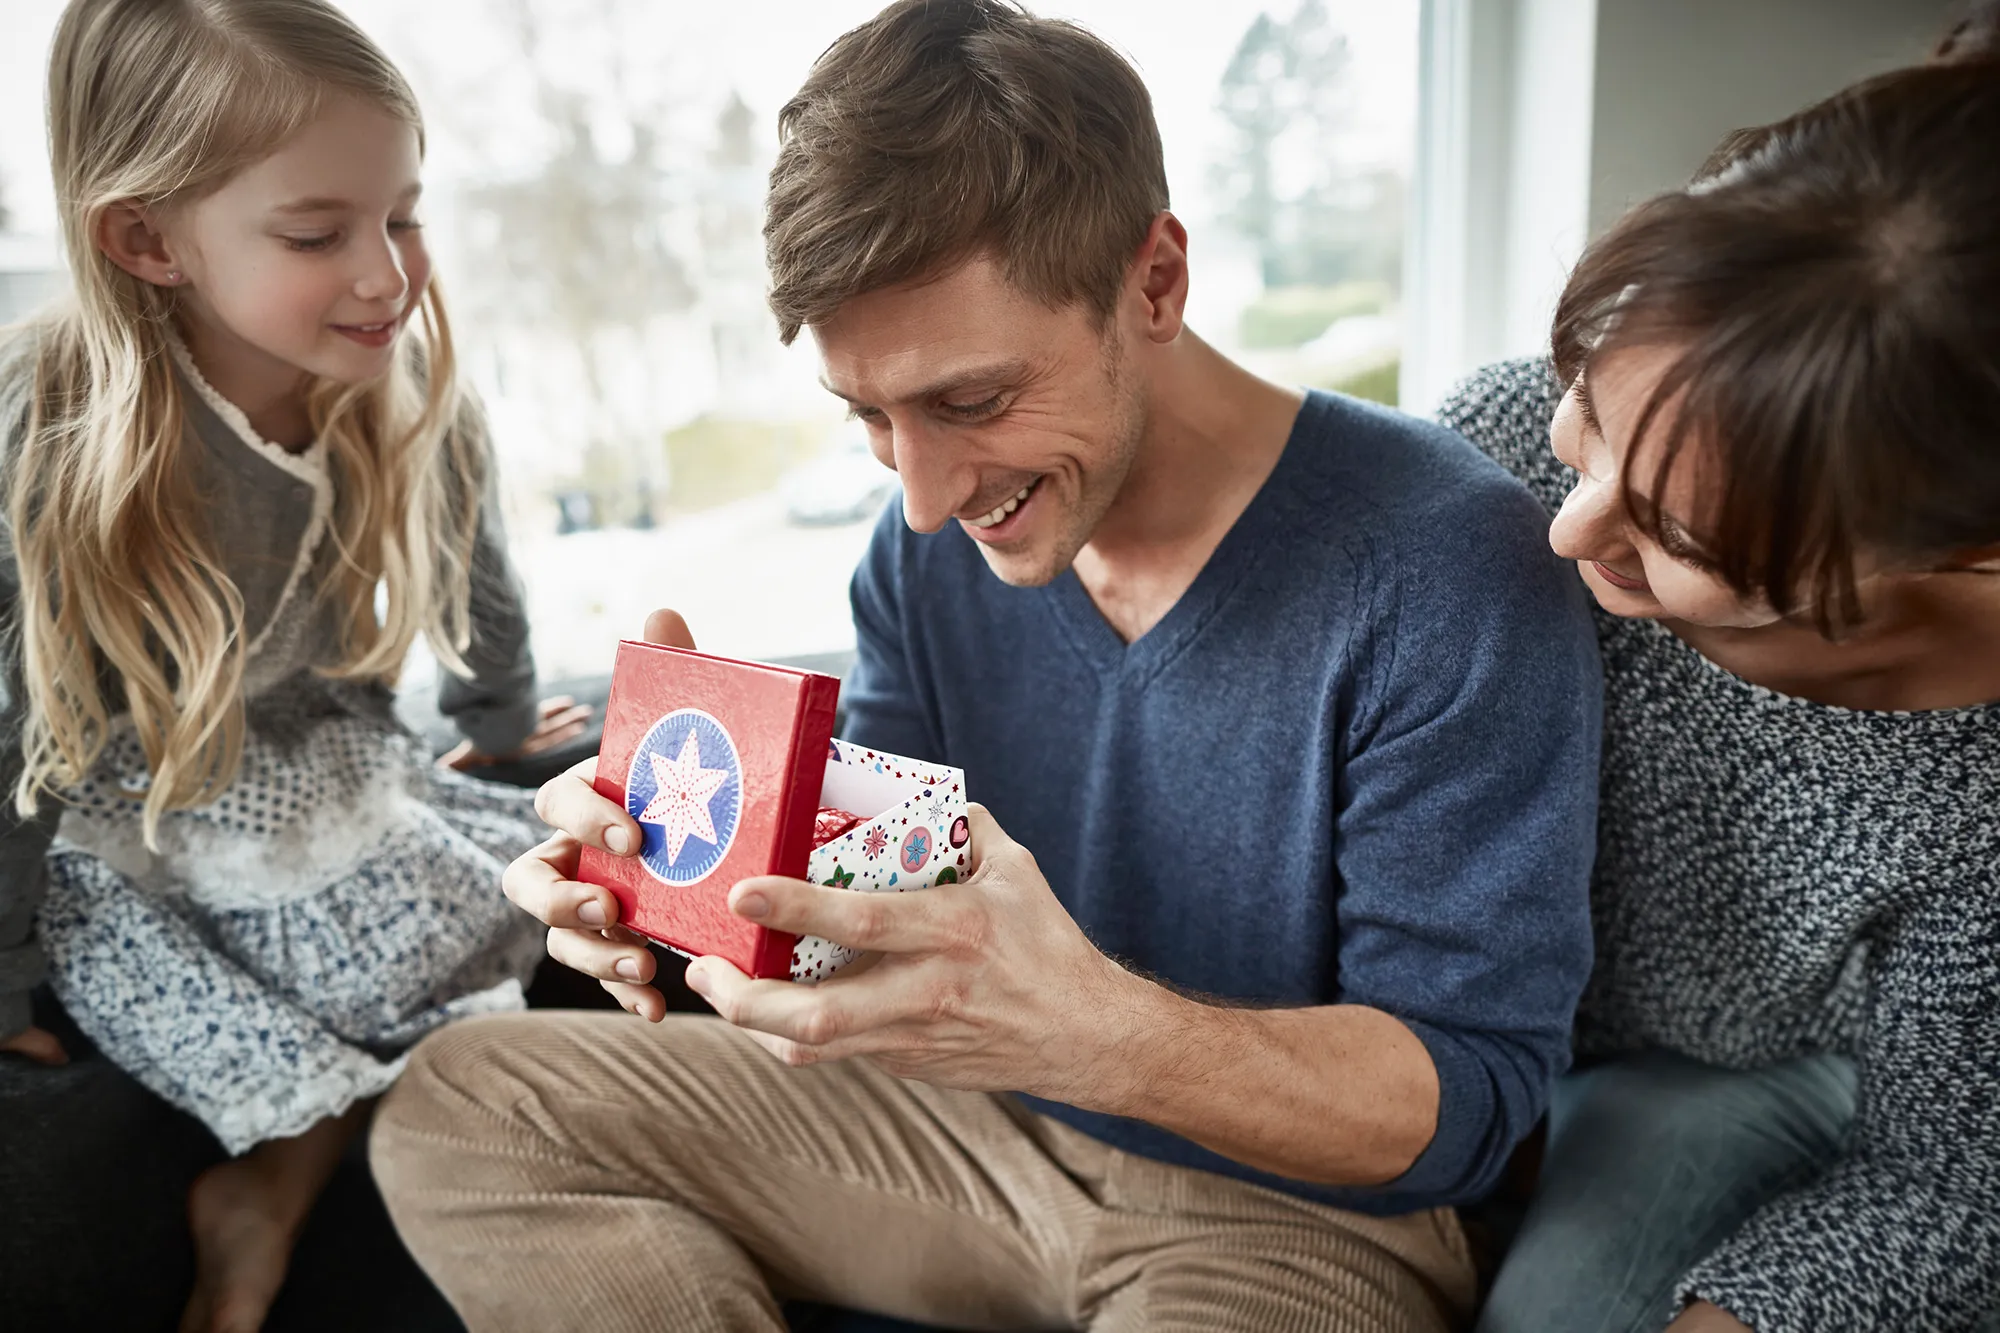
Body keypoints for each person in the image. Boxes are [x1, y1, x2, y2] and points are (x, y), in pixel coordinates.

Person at [369, 3, 1603, 1330]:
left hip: (1294, 1215)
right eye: (870, 420)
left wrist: (1089, 1028)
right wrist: (685, 868)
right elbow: (873, 914)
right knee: (463, 1108)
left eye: (969, 403)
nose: (922, 495)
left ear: (1157, 283)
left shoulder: (1442, 564)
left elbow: (1471, 1104)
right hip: (954, 1129)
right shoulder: (925, 556)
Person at [0, 2, 585, 1328]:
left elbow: (472, 541)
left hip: (330, 769)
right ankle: (274, 1178)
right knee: (375, 971)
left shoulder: (386, 370)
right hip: (136, 826)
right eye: (320, 235)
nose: (389, 275)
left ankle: (304, 1169)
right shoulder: (58, 432)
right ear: (147, 240)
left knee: (528, 890)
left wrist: (496, 715)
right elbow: (8, 729)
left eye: (406, 215)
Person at [1444, 40, 2000, 1333]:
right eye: (1587, 413)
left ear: (1948, 550)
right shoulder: (1492, 448)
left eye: (1679, 542)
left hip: (1751, 1067)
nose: (1571, 532)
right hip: (1466, 1030)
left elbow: (1950, 1189)